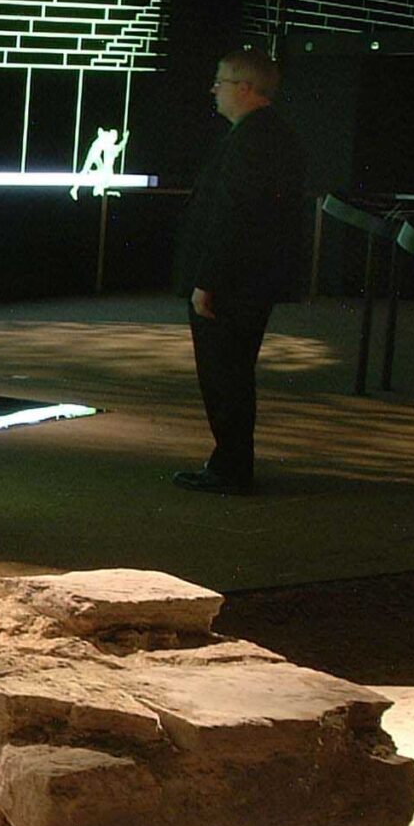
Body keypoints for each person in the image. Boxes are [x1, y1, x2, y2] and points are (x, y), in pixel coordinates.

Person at [172, 47, 307, 494]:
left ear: (245, 89)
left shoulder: (251, 140)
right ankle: (229, 463)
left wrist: (206, 281)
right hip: (250, 281)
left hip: (232, 284)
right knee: (232, 373)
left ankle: (229, 468)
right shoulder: (271, 135)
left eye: (221, 81)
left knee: (224, 375)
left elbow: (233, 216)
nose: (214, 89)